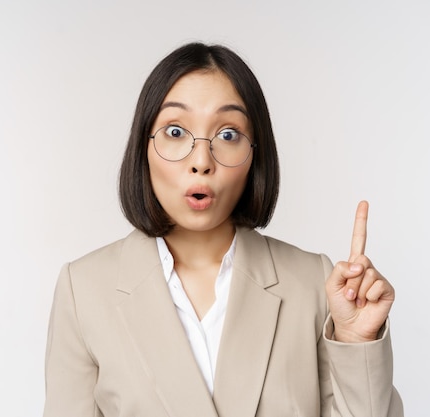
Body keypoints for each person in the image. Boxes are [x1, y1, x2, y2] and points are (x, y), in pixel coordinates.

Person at [43, 42, 404, 417]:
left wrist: (357, 344)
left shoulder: (312, 281)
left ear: (254, 155)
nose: (201, 161)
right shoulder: (83, 290)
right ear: (143, 148)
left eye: (228, 135)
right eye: (176, 131)